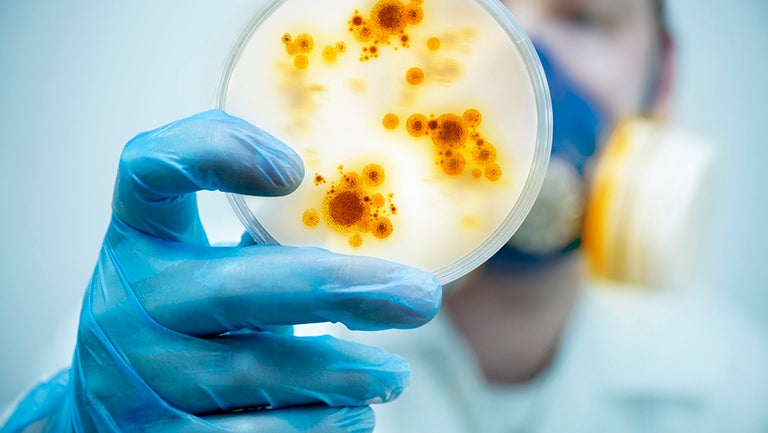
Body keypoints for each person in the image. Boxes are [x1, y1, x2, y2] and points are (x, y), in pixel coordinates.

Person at [2, 1, 767, 433]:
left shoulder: (741, 391)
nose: (518, 65)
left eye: (582, 15)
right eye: (466, 12)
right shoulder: (180, 345)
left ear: (662, 81)